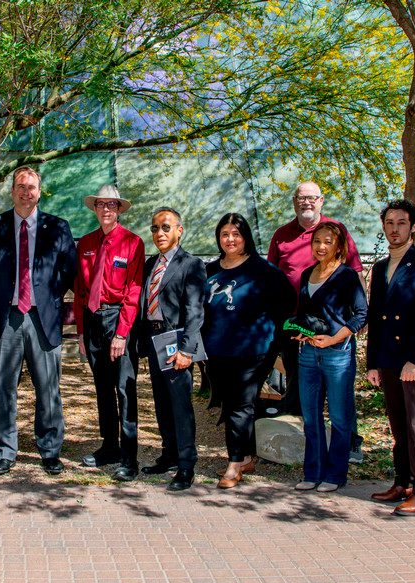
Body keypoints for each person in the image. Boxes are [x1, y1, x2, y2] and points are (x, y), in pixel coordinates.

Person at [0, 167, 77, 476]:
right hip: (6, 317)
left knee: (48, 387)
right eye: (20, 186)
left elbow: (69, 270)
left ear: (39, 192)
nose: (26, 192)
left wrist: (48, 296)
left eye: (31, 187)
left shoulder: (58, 227)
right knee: (4, 387)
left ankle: (50, 450)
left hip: (42, 317)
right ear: (12, 191)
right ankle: (5, 451)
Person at [267, 181, 365, 462]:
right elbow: (272, 279)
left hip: (334, 329)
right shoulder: (282, 235)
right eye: (301, 198)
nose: (306, 202)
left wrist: (357, 320)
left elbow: (355, 275)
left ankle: (351, 443)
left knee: (340, 391)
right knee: (301, 386)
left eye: (312, 198)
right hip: (295, 328)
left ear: (321, 201)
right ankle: (303, 444)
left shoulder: (336, 230)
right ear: (294, 201)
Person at [202, 213, 294, 489]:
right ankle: (246, 457)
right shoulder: (209, 270)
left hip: (253, 351)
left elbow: (287, 302)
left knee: (240, 404)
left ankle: (234, 464)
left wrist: (273, 338)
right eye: (225, 234)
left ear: (246, 238)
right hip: (216, 350)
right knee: (231, 404)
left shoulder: (262, 270)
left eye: (236, 234)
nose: (230, 239)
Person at [366, 200, 415, 515]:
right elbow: (375, 316)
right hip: (388, 357)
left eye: (401, 223)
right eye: (389, 223)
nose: (394, 229)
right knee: (398, 424)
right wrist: (372, 362)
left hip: (414, 359)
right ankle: (403, 483)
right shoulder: (380, 268)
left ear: (413, 227)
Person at [73, 185, 145, 482]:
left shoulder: (133, 242)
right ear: (95, 208)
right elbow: (79, 290)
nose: (106, 209)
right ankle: (109, 447)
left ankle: (129, 456)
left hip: (118, 320)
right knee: (102, 387)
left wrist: (122, 334)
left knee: (124, 389)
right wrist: (81, 332)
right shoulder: (85, 243)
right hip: (92, 320)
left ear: (119, 210)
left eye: (112, 205)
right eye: (101, 204)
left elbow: (134, 291)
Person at [291, 222, 367, 493]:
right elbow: (306, 313)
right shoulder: (307, 274)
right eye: (317, 241)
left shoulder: (347, 276)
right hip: (308, 354)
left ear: (338, 246)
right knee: (311, 417)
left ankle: (335, 475)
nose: (321, 246)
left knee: (339, 417)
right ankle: (313, 473)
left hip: (337, 354)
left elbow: (361, 314)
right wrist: (301, 330)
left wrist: (334, 339)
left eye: (328, 242)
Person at [137, 208, 207, 492]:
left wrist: (187, 350)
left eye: (166, 227)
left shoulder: (192, 264)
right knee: (162, 403)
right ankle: (169, 455)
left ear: (179, 230)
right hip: (154, 340)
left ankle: (186, 464)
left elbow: (195, 310)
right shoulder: (150, 264)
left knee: (180, 405)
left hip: (176, 342)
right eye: (155, 228)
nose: (160, 233)